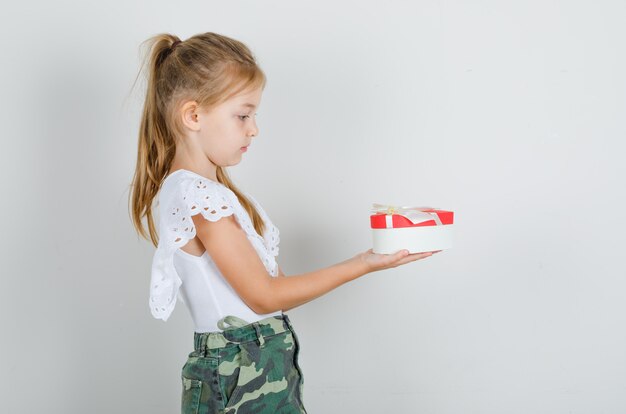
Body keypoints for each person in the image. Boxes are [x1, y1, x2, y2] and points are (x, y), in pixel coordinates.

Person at [129, 31, 439, 414]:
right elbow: (264, 295)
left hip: (258, 366)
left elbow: (274, 291)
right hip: (237, 373)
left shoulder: (213, 192)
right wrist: (364, 262)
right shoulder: (195, 194)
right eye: (242, 115)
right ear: (193, 115)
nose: (253, 128)